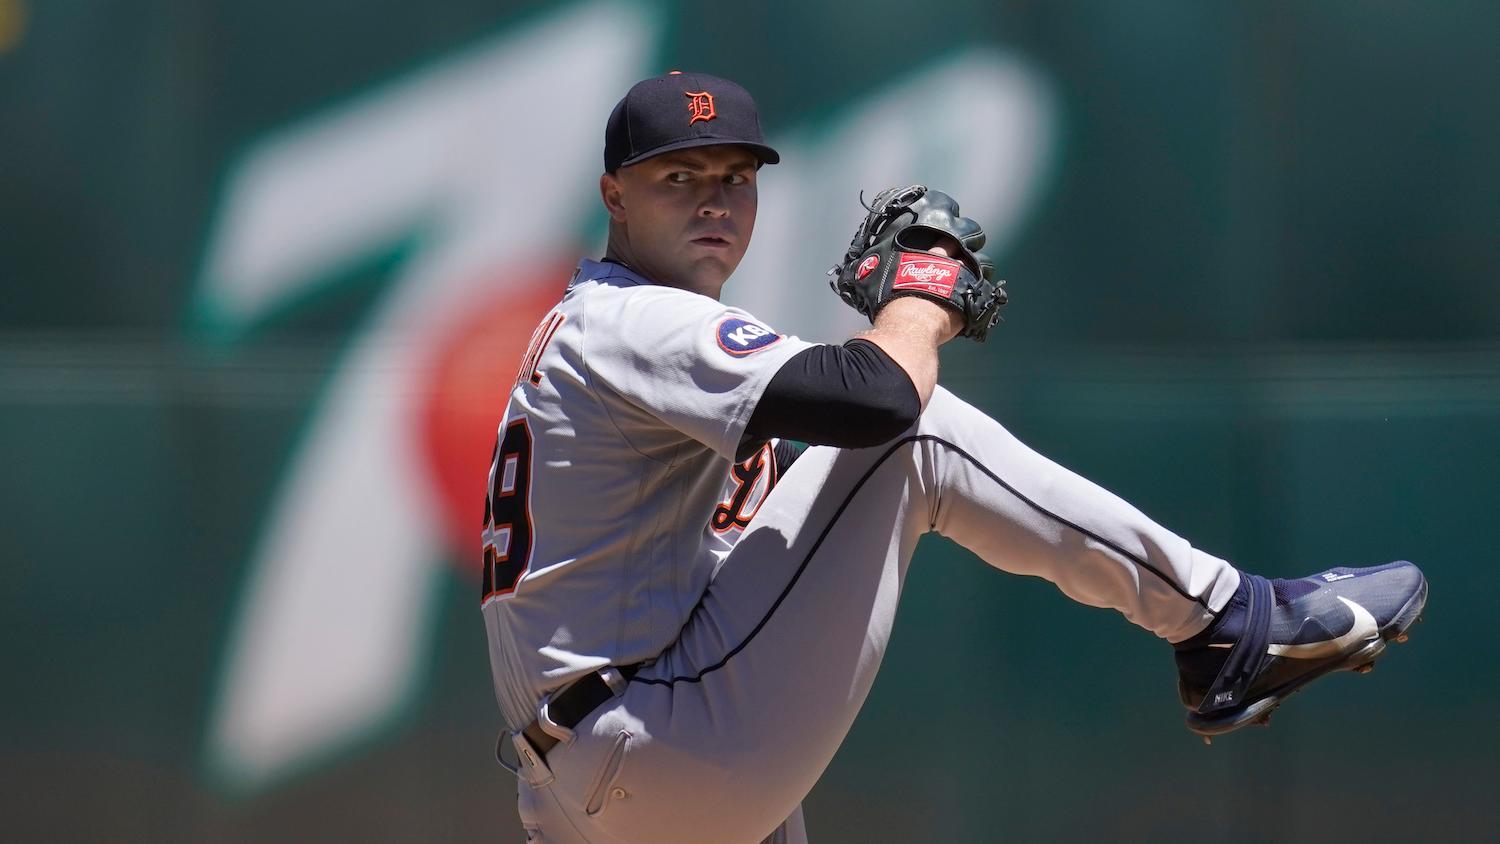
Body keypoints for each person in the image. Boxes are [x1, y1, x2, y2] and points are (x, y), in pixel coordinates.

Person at [479, 71, 1428, 844]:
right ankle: (1228, 622)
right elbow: (877, 400)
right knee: (917, 435)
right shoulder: (638, 320)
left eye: (735, 175)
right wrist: (923, 296)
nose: (714, 200)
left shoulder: (607, 331)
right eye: (677, 178)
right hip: (651, 748)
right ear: (614, 195)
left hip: (612, 762)